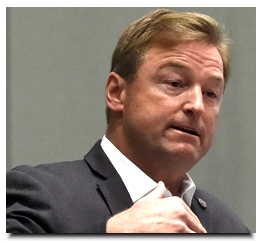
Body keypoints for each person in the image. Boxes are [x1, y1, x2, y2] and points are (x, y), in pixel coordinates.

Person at [6, 8, 251, 233]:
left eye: (210, 94)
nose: (197, 105)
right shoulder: (41, 194)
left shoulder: (229, 228)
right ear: (116, 92)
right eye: (175, 83)